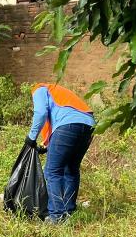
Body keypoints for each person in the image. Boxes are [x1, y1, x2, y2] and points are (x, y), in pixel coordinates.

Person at [25, 83, 95, 223]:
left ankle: (57, 216)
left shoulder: (39, 89)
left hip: (67, 125)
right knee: (71, 169)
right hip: (88, 125)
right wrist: (46, 145)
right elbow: (61, 116)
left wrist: (31, 137)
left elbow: (41, 113)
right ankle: (69, 210)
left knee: (52, 171)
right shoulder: (58, 92)